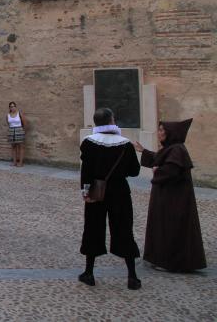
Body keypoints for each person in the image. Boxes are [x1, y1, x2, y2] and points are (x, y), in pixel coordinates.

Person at [79, 107, 142, 290]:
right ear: (112, 120)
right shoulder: (125, 144)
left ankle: (89, 273)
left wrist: (85, 192)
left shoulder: (88, 143)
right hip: (120, 192)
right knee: (124, 229)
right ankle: (132, 277)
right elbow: (134, 171)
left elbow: (86, 171)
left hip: (97, 192)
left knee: (93, 229)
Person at [133, 119, 206, 272]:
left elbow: (171, 170)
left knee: (171, 228)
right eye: (159, 130)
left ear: (170, 133)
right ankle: (161, 258)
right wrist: (144, 151)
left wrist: (157, 171)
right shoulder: (172, 148)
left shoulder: (177, 150)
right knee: (163, 227)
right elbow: (161, 159)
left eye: (161, 130)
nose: (159, 133)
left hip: (174, 200)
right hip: (168, 197)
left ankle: (171, 262)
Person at [7, 101, 26, 167]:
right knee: (13, 147)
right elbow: (8, 123)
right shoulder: (8, 115)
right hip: (11, 131)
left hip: (19, 130)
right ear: (9, 108)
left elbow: (24, 122)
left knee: (21, 147)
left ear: (16, 107)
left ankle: (20, 162)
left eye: (13, 106)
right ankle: (14, 162)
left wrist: (23, 130)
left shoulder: (19, 113)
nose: (12, 108)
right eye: (11, 106)